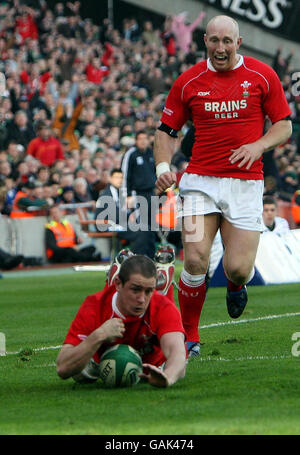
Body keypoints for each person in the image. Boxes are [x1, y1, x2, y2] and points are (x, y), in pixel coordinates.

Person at [154, 15, 292, 357]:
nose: (220, 47)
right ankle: (189, 337)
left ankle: (235, 286)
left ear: (238, 43)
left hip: (245, 184)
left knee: (239, 268)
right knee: (196, 261)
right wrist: (162, 167)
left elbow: (284, 126)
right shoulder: (188, 82)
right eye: (214, 40)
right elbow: (166, 131)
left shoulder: (262, 75)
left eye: (227, 41)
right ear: (205, 41)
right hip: (200, 182)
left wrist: (258, 146)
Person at [56, 254, 186, 388]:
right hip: (101, 361)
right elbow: (63, 367)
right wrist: (99, 335)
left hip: (153, 366)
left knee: (174, 369)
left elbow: (178, 354)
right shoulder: (94, 306)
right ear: (118, 284)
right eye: (136, 289)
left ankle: (164, 284)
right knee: (82, 374)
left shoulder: (163, 307)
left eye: (149, 291)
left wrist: (168, 378)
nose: (142, 299)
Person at [121, 131, 157, 259]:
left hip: (151, 193)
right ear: (136, 141)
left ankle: (151, 256)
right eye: (140, 139)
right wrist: (126, 196)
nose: (142, 141)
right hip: (137, 194)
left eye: (145, 138)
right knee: (142, 226)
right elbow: (125, 176)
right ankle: (138, 256)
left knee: (152, 226)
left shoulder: (152, 153)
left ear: (148, 140)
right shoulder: (131, 154)